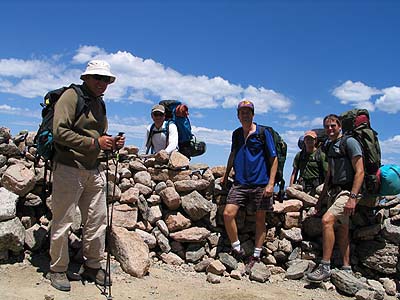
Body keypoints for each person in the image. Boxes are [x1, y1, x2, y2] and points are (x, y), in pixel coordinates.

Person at [49, 60, 125, 291]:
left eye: (106, 80)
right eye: (98, 78)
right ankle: (58, 269)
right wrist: (95, 143)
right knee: (63, 221)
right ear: (86, 78)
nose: (102, 83)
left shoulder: (99, 104)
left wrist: (111, 142)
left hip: (93, 169)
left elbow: (100, 135)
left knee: (97, 220)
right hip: (68, 167)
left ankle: (93, 266)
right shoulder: (71, 97)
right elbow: (59, 131)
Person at [221, 99, 278, 272]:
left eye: (248, 111)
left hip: (261, 184)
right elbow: (233, 154)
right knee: (227, 214)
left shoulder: (262, 132)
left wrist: (271, 183)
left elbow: (273, 158)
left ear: (253, 114)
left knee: (260, 220)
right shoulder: (237, 134)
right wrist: (225, 175)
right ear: (238, 116)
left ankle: (256, 255)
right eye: (242, 112)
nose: (245, 114)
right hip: (240, 183)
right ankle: (237, 248)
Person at [306, 114, 364, 282]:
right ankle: (347, 268)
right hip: (336, 191)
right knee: (343, 229)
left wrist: (353, 198)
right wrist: (320, 200)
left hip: (348, 192)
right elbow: (329, 176)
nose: (330, 129)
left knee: (327, 221)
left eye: (333, 126)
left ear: (340, 126)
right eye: (327, 126)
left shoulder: (350, 143)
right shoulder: (330, 146)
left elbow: (360, 171)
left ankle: (325, 266)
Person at [289, 130, 328, 195]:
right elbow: (294, 173)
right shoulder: (300, 155)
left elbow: (326, 173)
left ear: (315, 140)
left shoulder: (321, 155)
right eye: (307, 139)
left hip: (316, 186)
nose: (309, 141)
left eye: (311, 139)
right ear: (304, 141)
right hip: (302, 186)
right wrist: (291, 187)